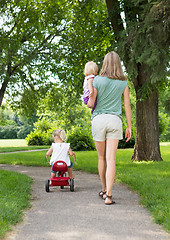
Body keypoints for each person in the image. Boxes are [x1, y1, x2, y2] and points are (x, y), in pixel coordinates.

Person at [87, 51, 131, 205]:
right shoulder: (123, 82)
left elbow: (91, 103)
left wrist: (88, 99)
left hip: (99, 120)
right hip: (115, 121)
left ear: (104, 63)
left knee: (101, 158)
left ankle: (104, 189)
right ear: (118, 64)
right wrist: (129, 126)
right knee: (111, 159)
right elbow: (127, 106)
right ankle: (109, 196)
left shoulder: (97, 80)